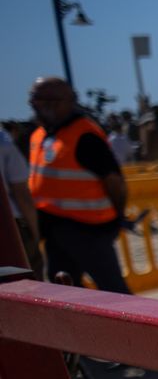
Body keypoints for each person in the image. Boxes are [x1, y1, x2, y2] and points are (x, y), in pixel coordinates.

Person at [26, 76, 131, 292]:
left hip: (87, 229)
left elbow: (114, 181)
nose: (44, 106)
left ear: (70, 101)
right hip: (54, 226)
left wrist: (117, 217)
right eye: (37, 100)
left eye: (53, 101)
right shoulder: (40, 135)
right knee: (64, 287)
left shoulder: (84, 135)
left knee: (113, 289)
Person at [1, 126, 43, 274]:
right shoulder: (3, 142)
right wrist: (35, 234)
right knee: (28, 280)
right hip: (9, 228)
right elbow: (22, 195)